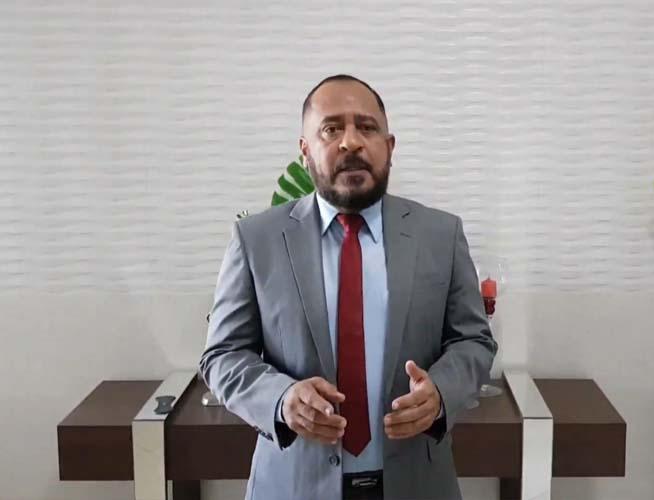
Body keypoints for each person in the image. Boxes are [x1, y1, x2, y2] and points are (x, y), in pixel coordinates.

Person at [199, 74, 498, 500]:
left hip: (416, 484)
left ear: (389, 148)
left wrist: (441, 392)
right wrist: (281, 398)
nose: (351, 142)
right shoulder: (256, 240)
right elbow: (222, 355)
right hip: (293, 486)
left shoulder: (440, 235)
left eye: (367, 127)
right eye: (331, 128)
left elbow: (474, 341)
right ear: (305, 151)